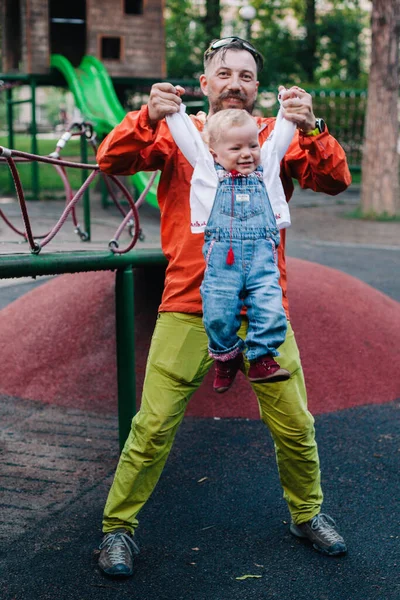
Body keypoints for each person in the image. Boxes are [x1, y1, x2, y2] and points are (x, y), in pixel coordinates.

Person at [96, 37, 352, 577]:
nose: (235, 84)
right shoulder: (177, 132)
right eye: (224, 74)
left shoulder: (269, 140)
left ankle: (307, 515)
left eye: (247, 76)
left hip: (263, 311)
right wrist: (147, 115)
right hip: (189, 304)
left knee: (296, 426)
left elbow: (334, 181)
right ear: (205, 82)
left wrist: (312, 127)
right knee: (154, 425)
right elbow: (111, 161)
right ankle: (117, 530)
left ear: (258, 88)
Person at [166, 106, 293, 392]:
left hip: (262, 259)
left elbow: (279, 140)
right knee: (217, 313)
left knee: (271, 310)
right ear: (214, 153)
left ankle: (262, 359)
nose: (247, 153)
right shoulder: (210, 173)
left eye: (252, 145)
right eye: (235, 148)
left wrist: (286, 110)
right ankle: (227, 355)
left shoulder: (266, 169)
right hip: (224, 261)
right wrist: (175, 113)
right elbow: (189, 139)